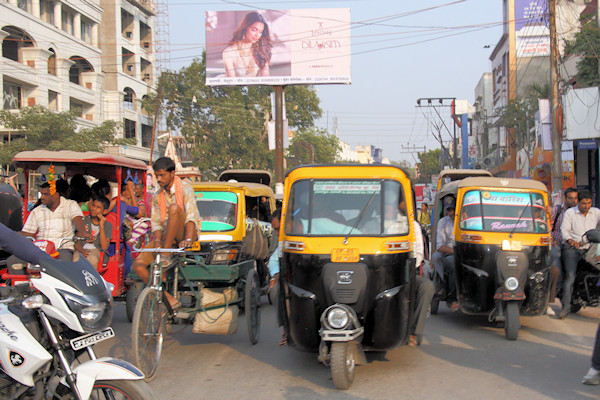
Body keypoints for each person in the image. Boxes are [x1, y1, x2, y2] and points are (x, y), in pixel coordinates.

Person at [132, 157, 201, 310]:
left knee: (174, 209)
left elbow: (192, 216)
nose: (159, 179)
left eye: (162, 175)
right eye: (157, 176)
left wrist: (188, 238)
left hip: (185, 233)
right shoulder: (157, 196)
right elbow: (156, 223)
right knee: (138, 265)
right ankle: (168, 299)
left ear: (172, 173)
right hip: (166, 237)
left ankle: (166, 253)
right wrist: (157, 242)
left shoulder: (185, 188)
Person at [20, 182, 93, 261]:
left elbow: (78, 220)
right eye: (41, 194)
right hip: (42, 249)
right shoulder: (37, 211)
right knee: (13, 261)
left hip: (63, 249)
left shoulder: (70, 205)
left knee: (64, 263)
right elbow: (28, 233)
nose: (42, 197)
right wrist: (13, 234)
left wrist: (84, 233)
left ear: (56, 195)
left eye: (45, 194)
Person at [559, 189, 600, 319]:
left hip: (591, 248)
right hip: (572, 249)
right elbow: (564, 230)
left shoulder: (596, 212)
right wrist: (571, 241)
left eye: (588, 203)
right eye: (583, 203)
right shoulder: (570, 213)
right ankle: (565, 307)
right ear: (578, 202)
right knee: (570, 276)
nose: (586, 206)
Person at [222, 12, 273, 77]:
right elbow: (232, 83)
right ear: (245, 28)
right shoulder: (229, 52)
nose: (257, 35)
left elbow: (266, 79)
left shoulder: (261, 51)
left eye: (260, 32)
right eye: (254, 30)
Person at [409, 219, 435, 347]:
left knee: (427, 286)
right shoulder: (373, 223)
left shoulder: (412, 226)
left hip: (407, 272)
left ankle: (415, 331)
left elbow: (418, 254)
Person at [432, 197, 458, 311]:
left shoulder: (464, 220)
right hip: (448, 252)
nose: (451, 212)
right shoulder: (443, 222)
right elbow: (439, 246)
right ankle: (446, 288)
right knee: (439, 258)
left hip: (464, 251)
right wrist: (453, 251)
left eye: (452, 209)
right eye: (448, 210)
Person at [78, 195, 112, 268]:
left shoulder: (107, 225)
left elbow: (104, 246)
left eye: (98, 207)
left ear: (104, 211)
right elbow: (76, 240)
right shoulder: (83, 220)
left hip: (96, 250)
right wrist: (81, 251)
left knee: (92, 259)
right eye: (93, 205)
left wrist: (102, 226)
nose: (94, 209)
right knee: (75, 259)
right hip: (81, 249)